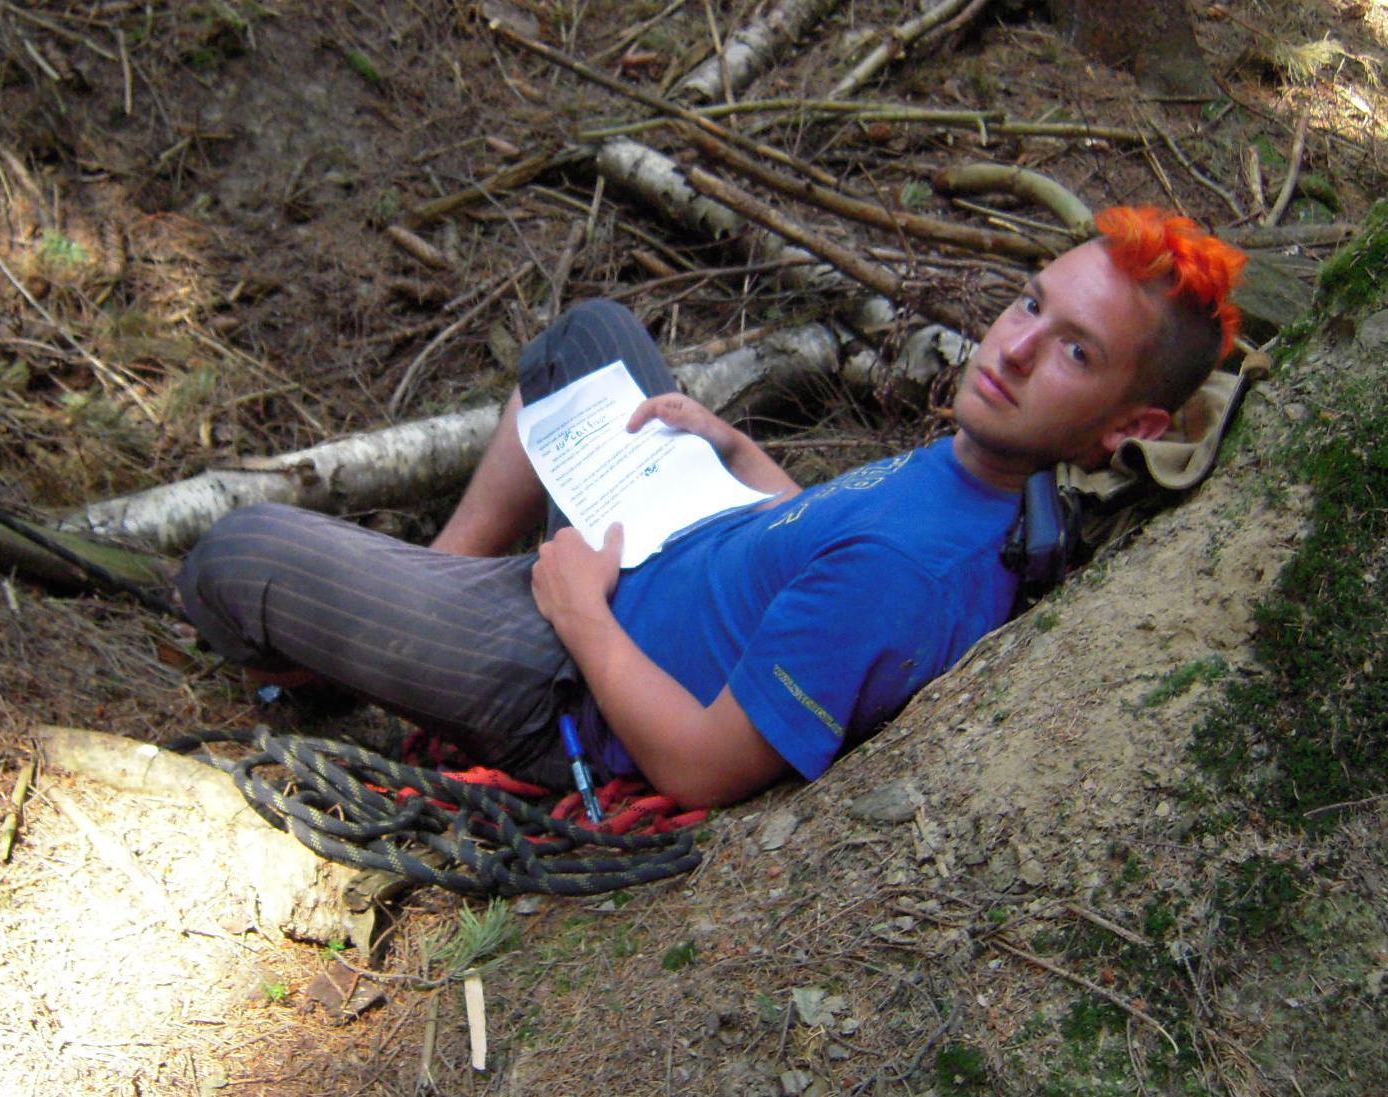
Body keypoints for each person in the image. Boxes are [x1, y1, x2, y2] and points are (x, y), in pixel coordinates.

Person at [176, 207, 1245, 810]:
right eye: (1030, 303)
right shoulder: (1003, 473)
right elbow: (821, 556)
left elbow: (704, 764)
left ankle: (320, 668)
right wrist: (740, 456)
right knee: (589, 341)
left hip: (568, 676)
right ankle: (440, 580)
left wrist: (579, 610)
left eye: (1074, 352)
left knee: (234, 551)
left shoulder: (915, 571)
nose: (1012, 348)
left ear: (1130, 425)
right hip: (679, 531)